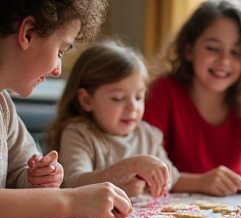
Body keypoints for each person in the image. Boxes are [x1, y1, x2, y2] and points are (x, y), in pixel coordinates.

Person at [0, 0, 131, 218]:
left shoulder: (4, 107)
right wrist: (70, 202)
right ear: (28, 33)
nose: (57, 70)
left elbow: (19, 177)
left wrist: (39, 179)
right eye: (60, 51)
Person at [143, 0, 241, 196]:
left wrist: (235, 181)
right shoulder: (163, 92)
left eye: (236, 52)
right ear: (188, 49)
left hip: (229, 214)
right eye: (213, 48)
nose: (224, 61)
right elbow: (144, 166)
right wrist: (200, 182)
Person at [46, 39, 173, 199]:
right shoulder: (79, 134)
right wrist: (131, 168)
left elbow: (172, 176)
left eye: (139, 97)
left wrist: (202, 181)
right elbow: (73, 182)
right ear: (87, 100)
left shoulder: (147, 134)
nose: (133, 107)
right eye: (118, 98)